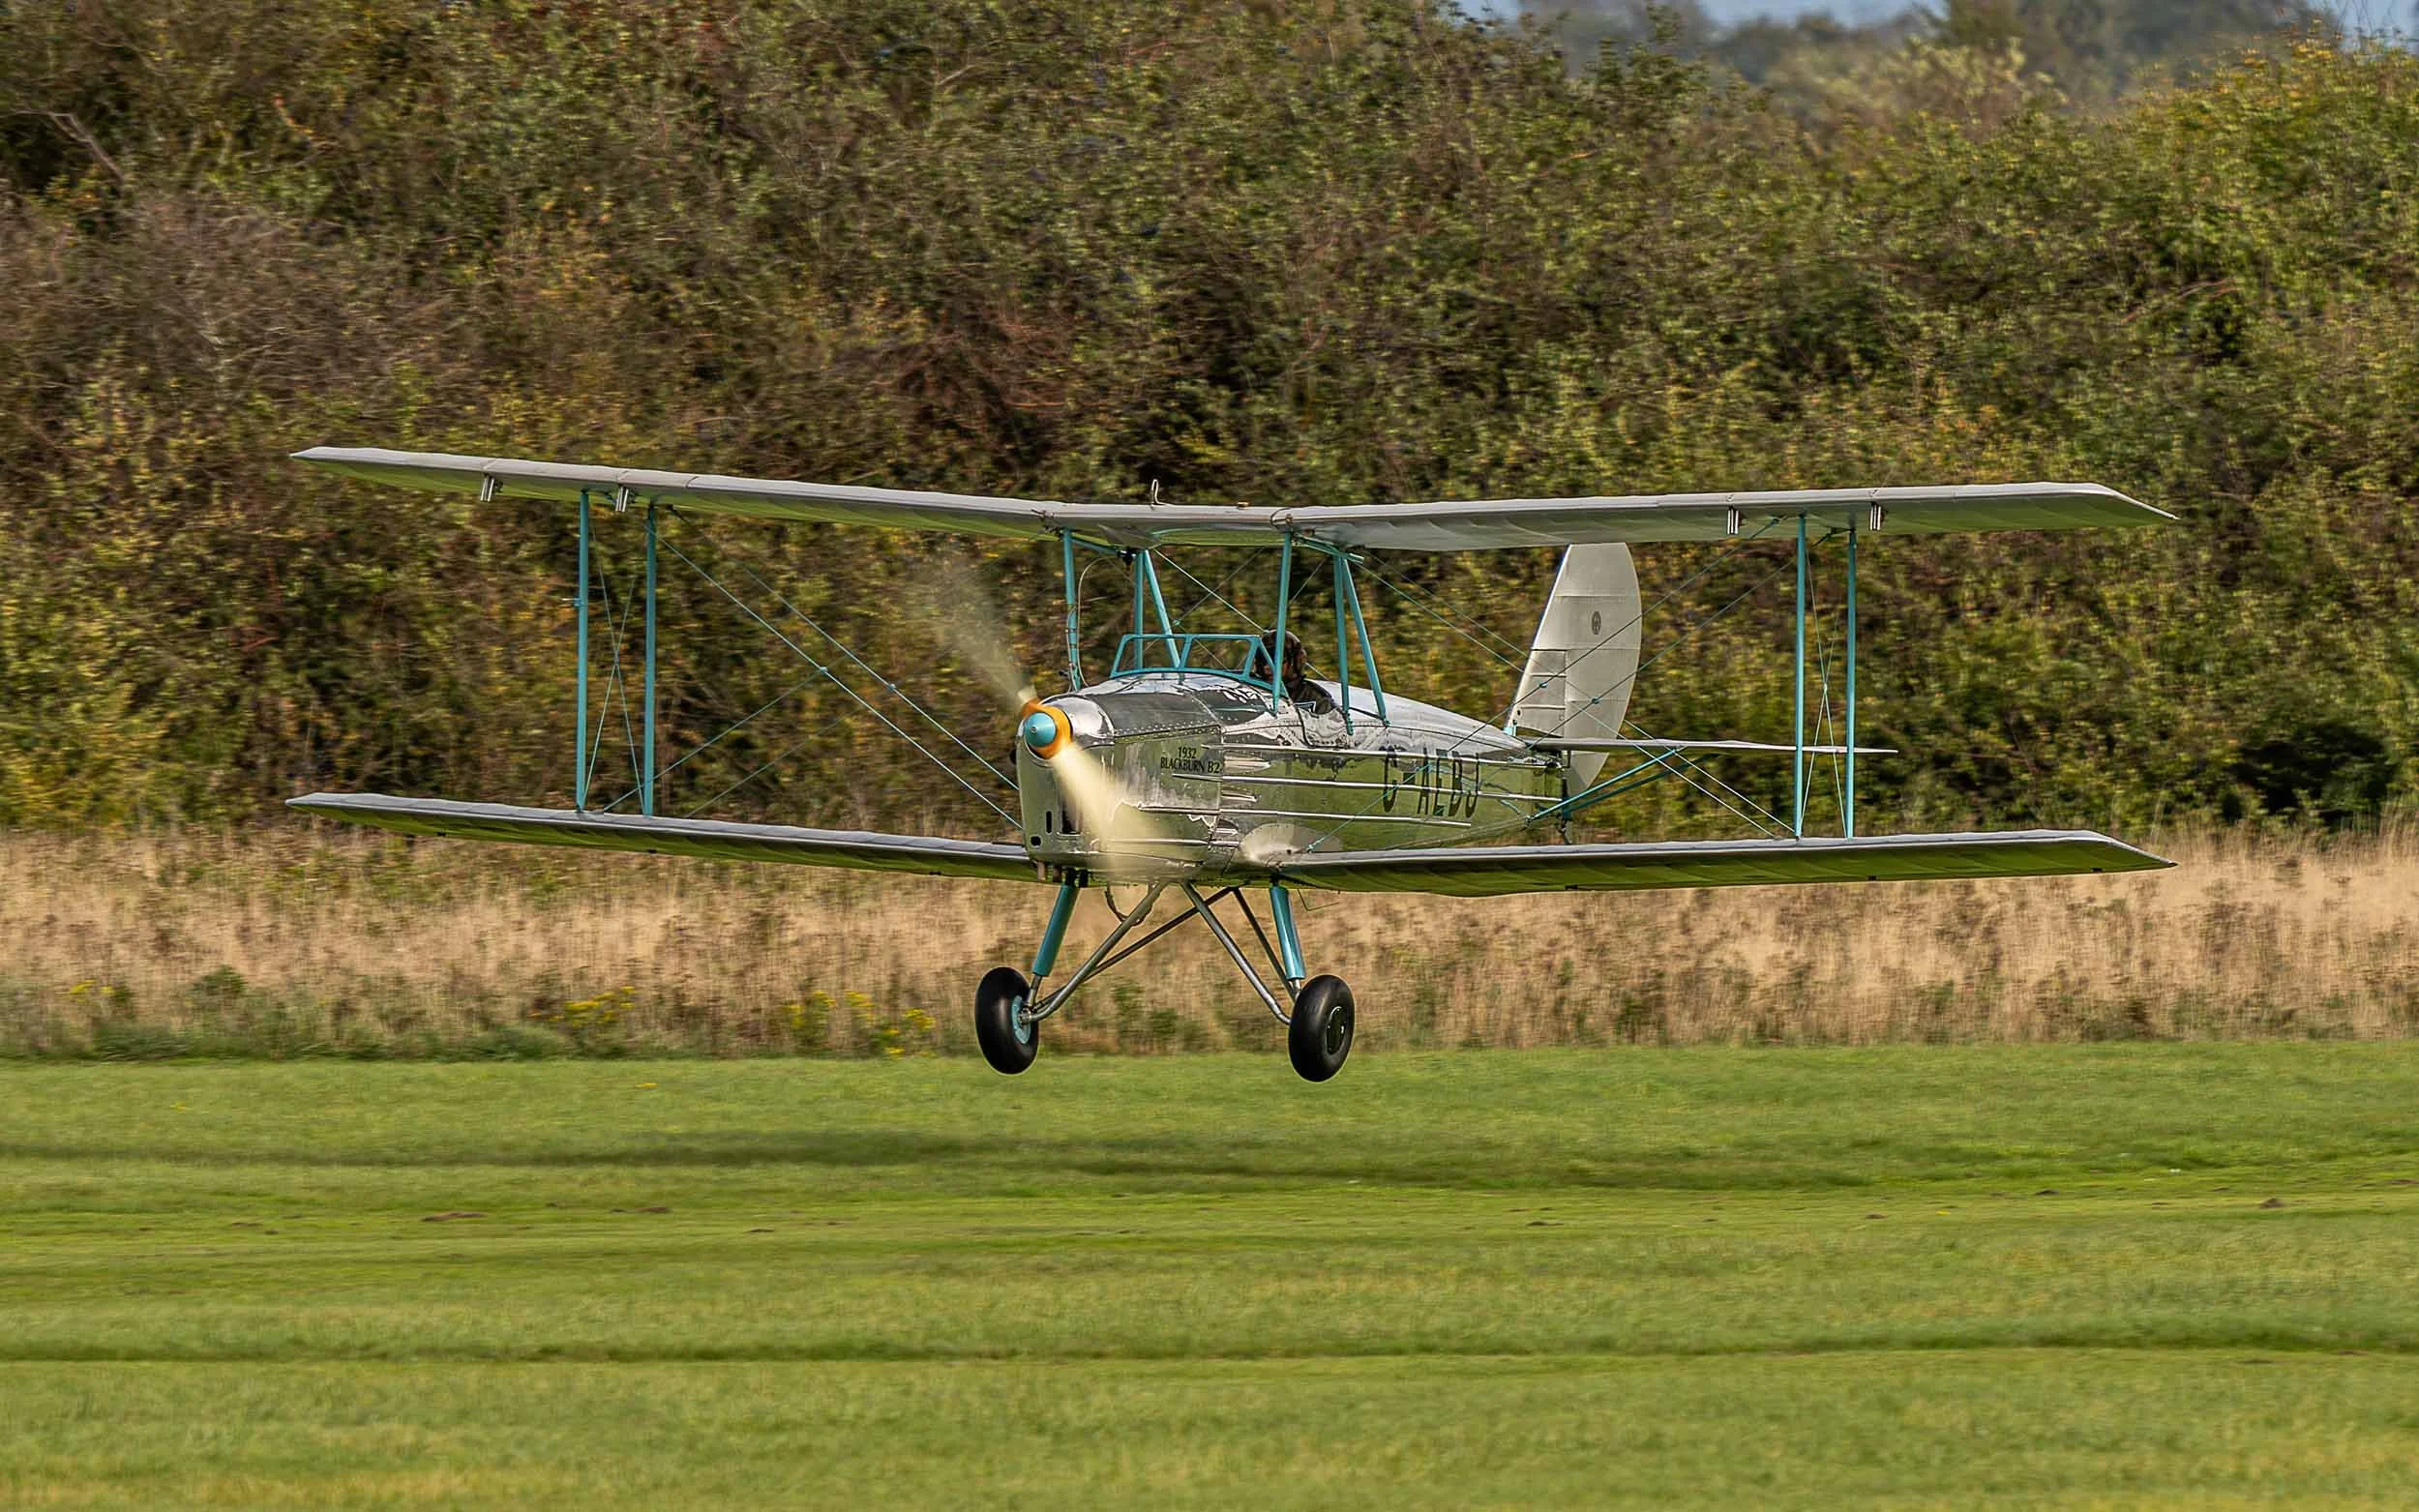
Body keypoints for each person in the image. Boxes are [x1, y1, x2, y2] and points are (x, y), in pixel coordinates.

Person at [1254, 631, 1336, 715]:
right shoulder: (1251, 693)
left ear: (1296, 661)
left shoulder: (1315, 698)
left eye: (1276, 660)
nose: (1267, 667)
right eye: (1262, 660)